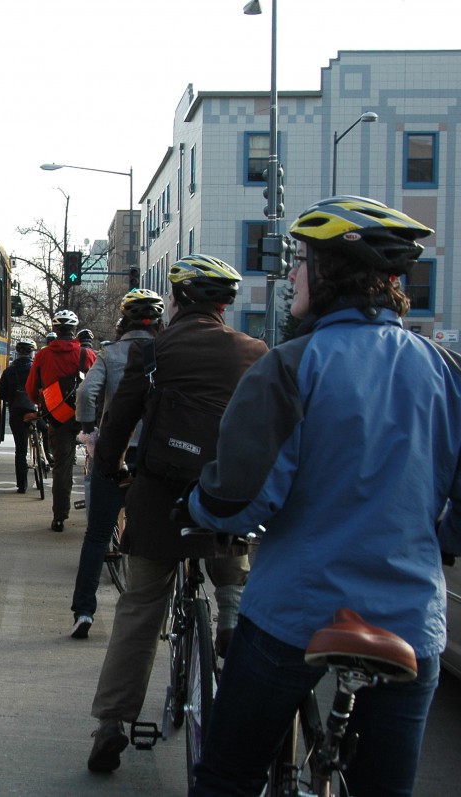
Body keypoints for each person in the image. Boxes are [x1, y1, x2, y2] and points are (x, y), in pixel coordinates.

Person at [184, 197, 459, 796]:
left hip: (300, 611)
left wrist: (198, 508)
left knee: (228, 774)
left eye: (301, 261)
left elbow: (239, 501)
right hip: (410, 620)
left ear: (332, 272)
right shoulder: (444, 370)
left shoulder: (291, 365)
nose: (291, 275)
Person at [85, 254, 267, 773]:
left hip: (160, 495)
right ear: (224, 304)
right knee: (231, 542)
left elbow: (120, 416)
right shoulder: (255, 352)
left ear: (180, 299)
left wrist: (110, 467)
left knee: (141, 606)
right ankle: (230, 606)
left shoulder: (154, 349)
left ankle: (112, 722)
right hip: (224, 495)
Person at [68, 289, 165, 639]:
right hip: (154, 457)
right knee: (151, 536)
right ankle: (149, 616)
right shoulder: (167, 354)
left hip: (114, 452)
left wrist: (89, 430)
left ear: (123, 322)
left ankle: (83, 611)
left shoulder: (109, 355)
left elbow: (85, 394)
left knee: (96, 536)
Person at [26, 310, 97, 531]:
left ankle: (59, 517)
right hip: (86, 415)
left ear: (55, 330)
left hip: (58, 416)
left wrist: (43, 404)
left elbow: (32, 387)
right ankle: (96, 512)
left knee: (62, 467)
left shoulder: (43, 355)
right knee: (98, 461)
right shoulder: (87, 355)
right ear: (74, 330)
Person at [0, 339, 38, 493]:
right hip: (35, 409)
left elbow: (1, 393)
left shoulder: (9, 371)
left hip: (16, 410)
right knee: (45, 430)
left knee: (20, 450)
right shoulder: (36, 369)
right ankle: (46, 456)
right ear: (32, 353)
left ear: (18, 353)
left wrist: (11, 398)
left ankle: (22, 484)